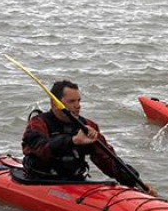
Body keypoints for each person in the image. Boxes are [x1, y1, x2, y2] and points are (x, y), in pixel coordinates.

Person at [22, 80, 155, 194]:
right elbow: (40, 148)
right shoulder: (38, 123)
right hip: (41, 180)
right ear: (55, 103)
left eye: (79, 101)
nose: (78, 106)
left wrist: (136, 182)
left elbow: (108, 160)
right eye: (71, 101)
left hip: (75, 181)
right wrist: (72, 141)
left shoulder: (87, 126)